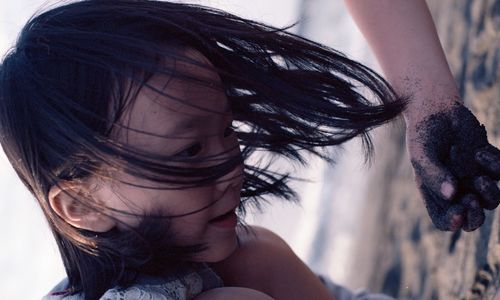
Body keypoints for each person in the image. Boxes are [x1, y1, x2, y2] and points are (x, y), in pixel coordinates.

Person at [0, 1, 497, 300]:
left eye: (227, 130)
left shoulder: (250, 257)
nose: (231, 163)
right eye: (190, 150)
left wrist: (430, 106)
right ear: (80, 205)